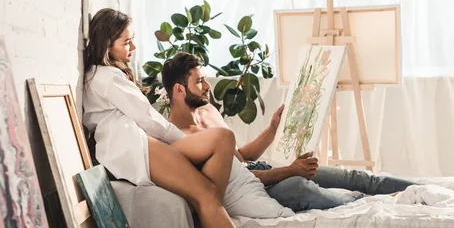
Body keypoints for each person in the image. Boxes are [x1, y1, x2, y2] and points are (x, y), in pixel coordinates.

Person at [82, 8, 297, 228]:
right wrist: (181, 142)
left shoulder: (106, 76)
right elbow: (149, 120)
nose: (132, 48)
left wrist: (181, 142)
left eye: (132, 41)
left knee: (222, 142)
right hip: (134, 148)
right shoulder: (105, 78)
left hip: (139, 143)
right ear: (106, 45)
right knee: (209, 188)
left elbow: (147, 120)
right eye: (126, 42)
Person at [162, 52, 418, 211]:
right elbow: (234, 179)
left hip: (261, 169)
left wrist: (272, 130)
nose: (207, 86)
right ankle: (367, 201)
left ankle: (424, 190)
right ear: (179, 90)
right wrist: (291, 170)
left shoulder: (207, 112)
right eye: (199, 81)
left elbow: (239, 157)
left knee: (351, 175)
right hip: (253, 187)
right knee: (300, 187)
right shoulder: (180, 139)